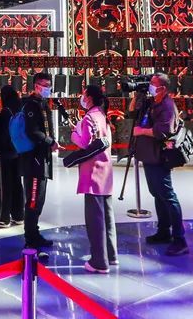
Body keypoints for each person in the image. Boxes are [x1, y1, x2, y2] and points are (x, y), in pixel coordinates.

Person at [134, 73, 188, 255]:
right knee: (157, 194)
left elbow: (163, 131)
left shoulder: (167, 106)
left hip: (160, 157)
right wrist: (137, 95)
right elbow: (133, 112)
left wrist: (141, 131)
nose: (149, 86)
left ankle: (180, 239)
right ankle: (164, 231)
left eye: (153, 84)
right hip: (150, 156)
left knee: (167, 195)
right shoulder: (152, 103)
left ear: (163, 88)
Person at [72, 84, 117, 273]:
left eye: (84, 94)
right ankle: (111, 255)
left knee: (95, 219)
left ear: (89, 98)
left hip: (93, 173)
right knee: (107, 216)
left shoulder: (89, 118)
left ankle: (99, 261)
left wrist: (74, 135)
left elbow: (85, 143)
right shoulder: (103, 116)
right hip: (106, 172)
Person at [19, 71, 56, 251]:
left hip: (42, 159)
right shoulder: (30, 106)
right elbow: (32, 132)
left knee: (39, 200)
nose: (47, 88)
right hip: (33, 160)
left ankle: (34, 232)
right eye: (44, 85)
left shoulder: (43, 104)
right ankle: (30, 237)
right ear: (36, 86)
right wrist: (50, 142)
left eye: (49, 85)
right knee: (33, 200)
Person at [0, 84, 25, 229]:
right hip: (19, 151)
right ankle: (19, 215)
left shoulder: (6, 111)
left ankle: (4, 218)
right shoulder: (20, 109)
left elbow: (2, 134)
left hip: (6, 153)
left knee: (5, 185)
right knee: (17, 184)